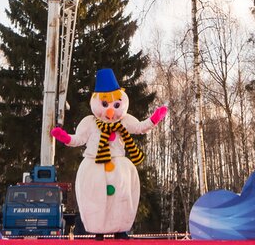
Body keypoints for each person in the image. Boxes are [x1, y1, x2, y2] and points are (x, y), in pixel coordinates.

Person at [50, 68, 167, 240]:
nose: (110, 111)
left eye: (116, 105)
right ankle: (98, 230)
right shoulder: (89, 122)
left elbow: (140, 127)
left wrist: (153, 119)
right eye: (105, 104)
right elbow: (79, 139)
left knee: (122, 197)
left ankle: (120, 229)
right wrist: (66, 137)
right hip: (94, 165)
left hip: (119, 167)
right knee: (95, 198)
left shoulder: (124, 121)